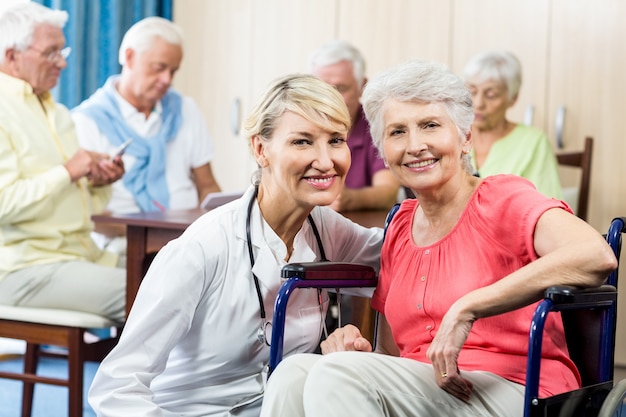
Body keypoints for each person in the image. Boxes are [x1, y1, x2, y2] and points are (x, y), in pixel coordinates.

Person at [260, 60, 617, 417]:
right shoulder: (399, 227)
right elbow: (389, 356)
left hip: (516, 388)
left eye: (430, 125)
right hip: (429, 388)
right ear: (382, 150)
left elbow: (594, 255)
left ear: (465, 138)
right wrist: (354, 351)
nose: (415, 145)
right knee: (292, 374)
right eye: (397, 132)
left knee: (338, 376)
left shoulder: (502, 198)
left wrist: (467, 308)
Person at [87, 74, 383, 417]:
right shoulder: (202, 249)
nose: (326, 160)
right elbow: (116, 387)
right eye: (302, 142)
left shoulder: (325, 229)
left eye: (335, 140)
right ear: (261, 149)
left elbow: (406, 259)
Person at [0, 3, 126, 323]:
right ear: (11, 56)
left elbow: (74, 200)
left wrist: (98, 182)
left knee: (184, 275)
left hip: (81, 256)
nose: (63, 63)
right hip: (22, 268)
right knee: (155, 293)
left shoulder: (58, 115)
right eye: (51, 53)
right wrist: (68, 172)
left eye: (62, 50)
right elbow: (3, 204)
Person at [72, 17, 221, 251]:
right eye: (159, 68)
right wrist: (154, 235)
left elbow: (207, 185)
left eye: (173, 71)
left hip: (190, 240)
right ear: (129, 57)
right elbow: (85, 213)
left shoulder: (185, 109)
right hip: (124, 244)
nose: (167, 80)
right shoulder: (86, 121)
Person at [309, 39, 400, 212]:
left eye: (341, 88)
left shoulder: (376, 126)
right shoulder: (298, 125)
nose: (329, 99)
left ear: (362, 86)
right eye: (320, 89)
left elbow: (388, 193)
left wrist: (349, 199)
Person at [462, 50, 563, 199]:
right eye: (472, 91)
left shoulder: (533, 142)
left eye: (491, 95)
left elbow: (548, 206)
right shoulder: (453, 134)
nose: (478, 103)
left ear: (513, 98)